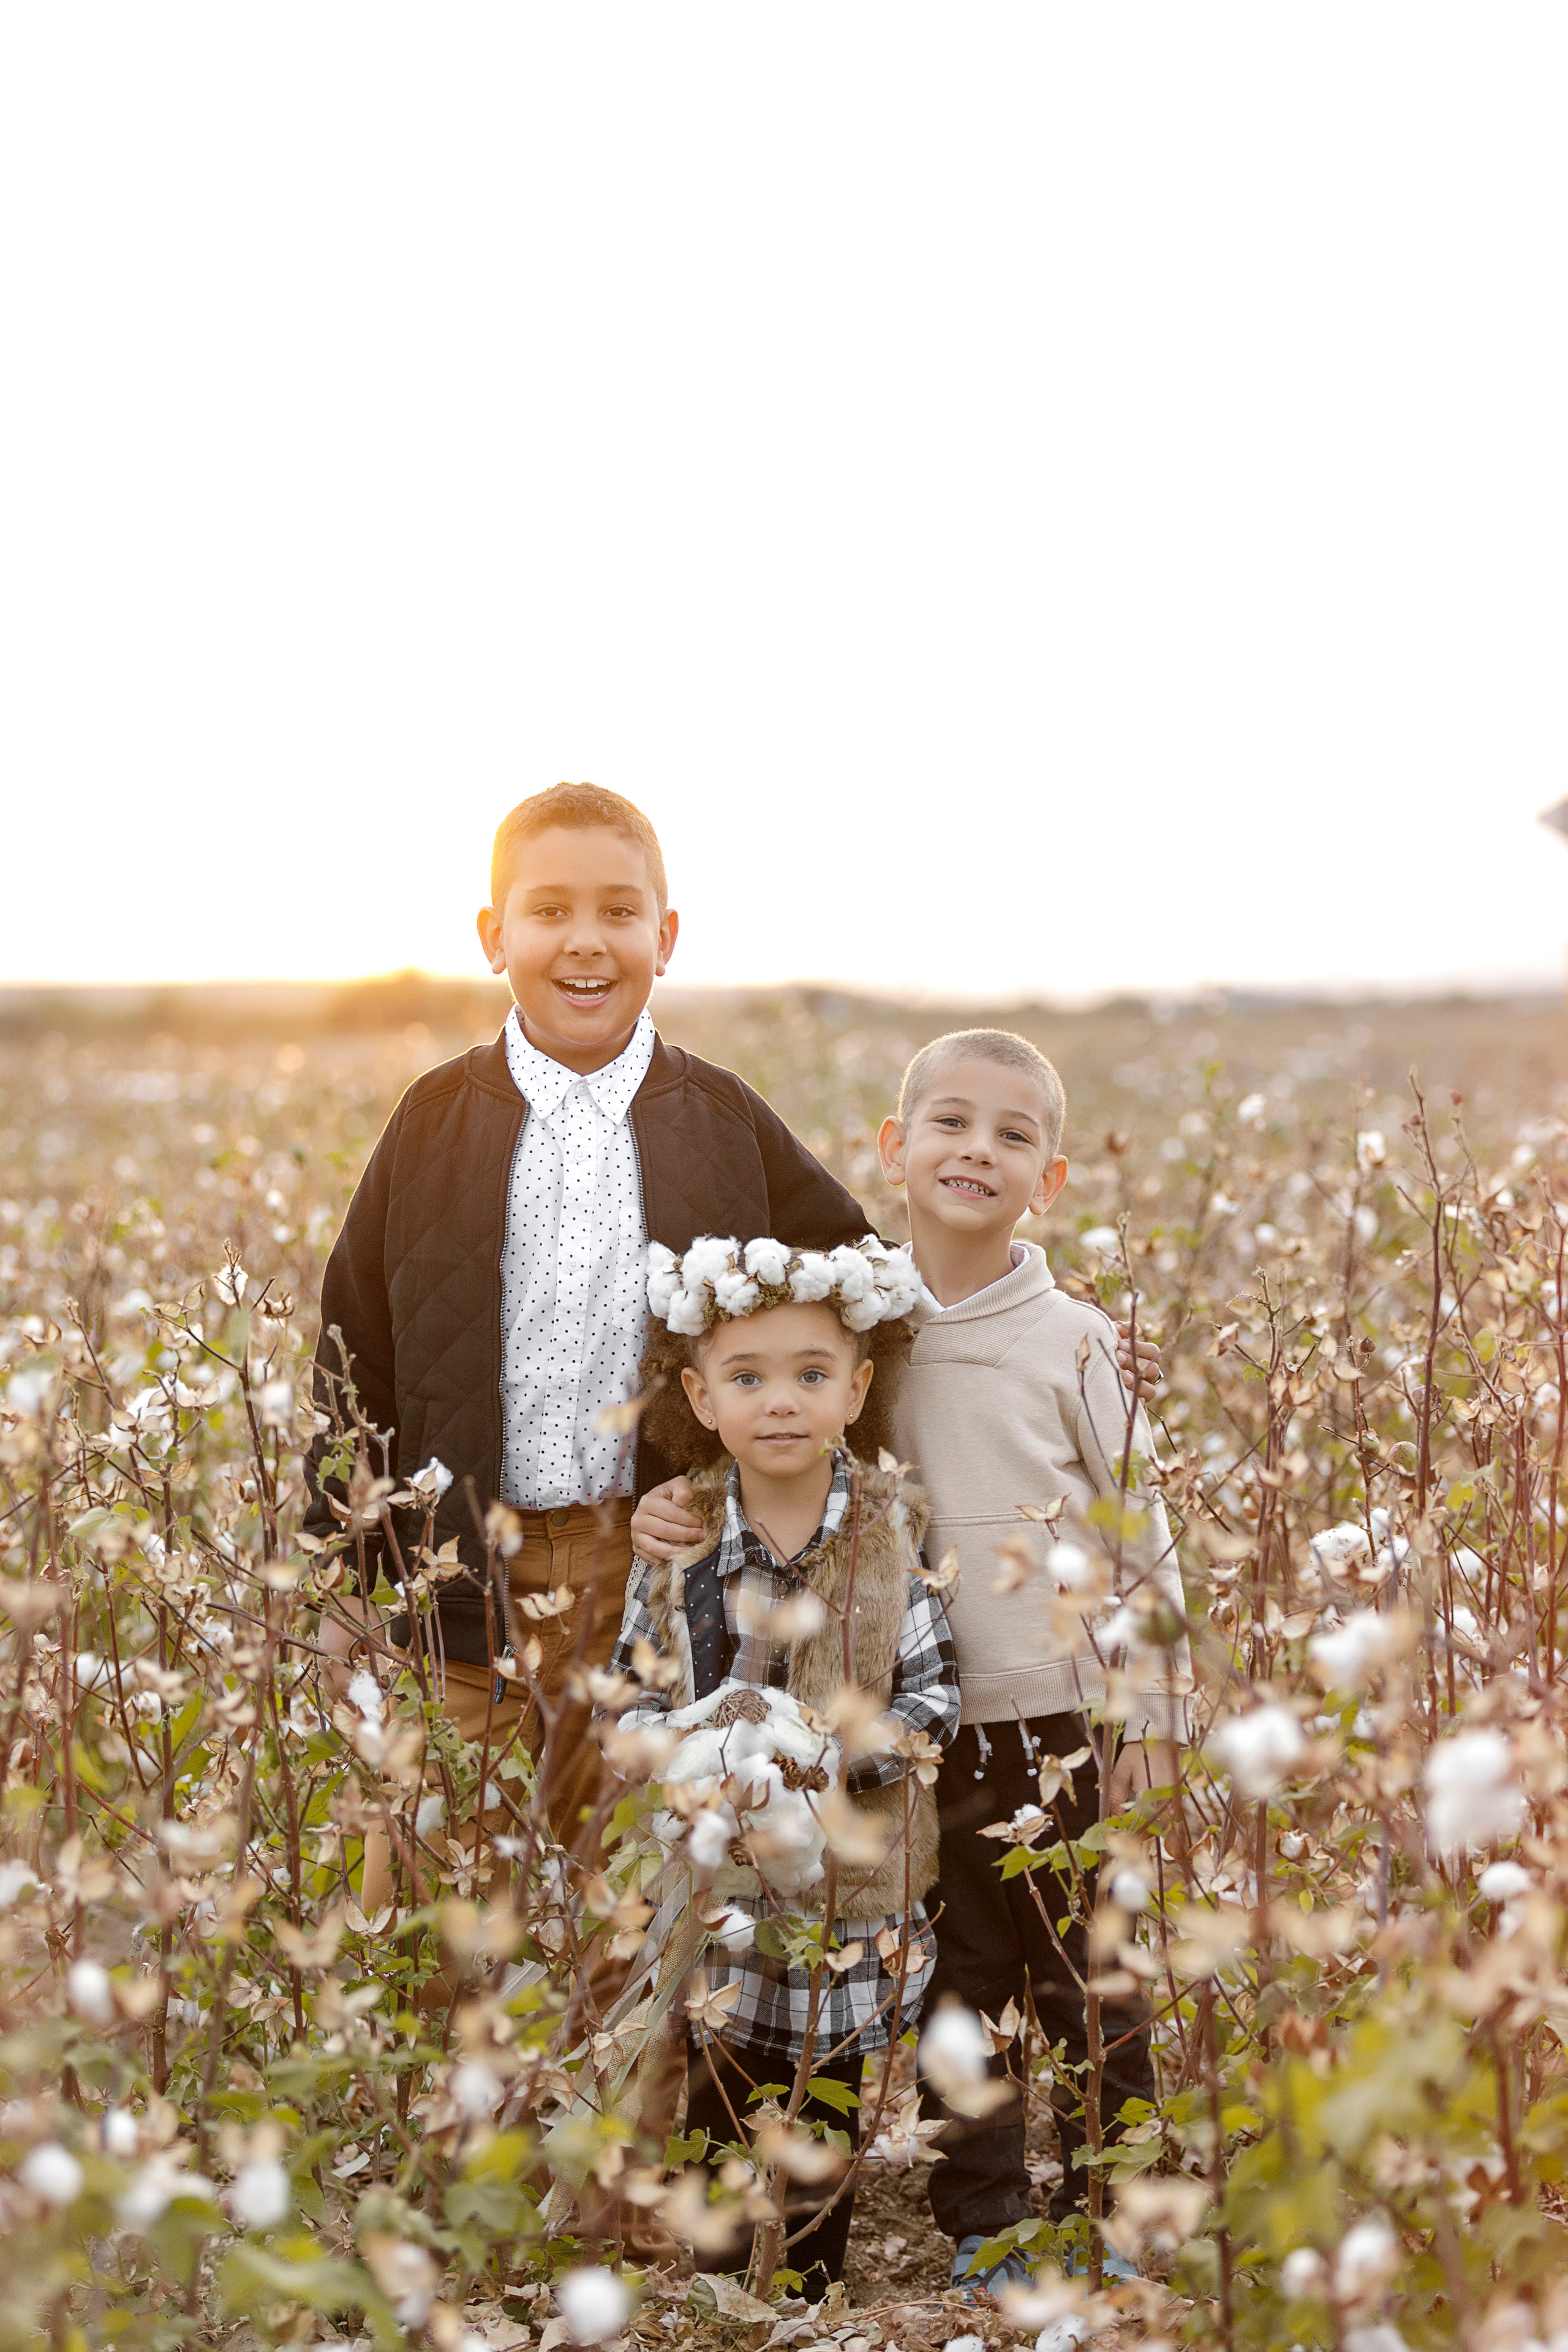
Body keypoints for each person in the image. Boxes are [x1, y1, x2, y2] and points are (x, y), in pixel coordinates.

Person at [631, 1030, 1189, 2291]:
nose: (975, 1151)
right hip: (913, 1735)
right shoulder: (849, 1317)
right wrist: (668, 1506)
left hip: (1063, 1723)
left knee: (1091, 1979)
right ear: (893, 1149)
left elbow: (1139, 1526)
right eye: (947, 1123)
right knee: (958, 1985)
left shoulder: (1076, 1342)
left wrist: (1152, 1704)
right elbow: (759, 1436)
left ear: (1049, 1179)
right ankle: (985, 2219)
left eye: (1011, 1135)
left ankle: (1122, 2209)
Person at [611, 1234, 959, 2298]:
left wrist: (833, 1757)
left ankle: (807, 2286)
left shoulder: (896, 1529)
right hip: (721, 1883)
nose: (781, 1403)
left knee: (824, 2096)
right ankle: (723, 2287)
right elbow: (638, 1690)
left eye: (812, 1377)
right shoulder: (681, 1537)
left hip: (853, 1881)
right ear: (700, 1395)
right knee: (723, 2086)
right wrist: (691, 1757)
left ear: (857, 1390)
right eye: (747, 1378)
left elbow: (934, 1696)